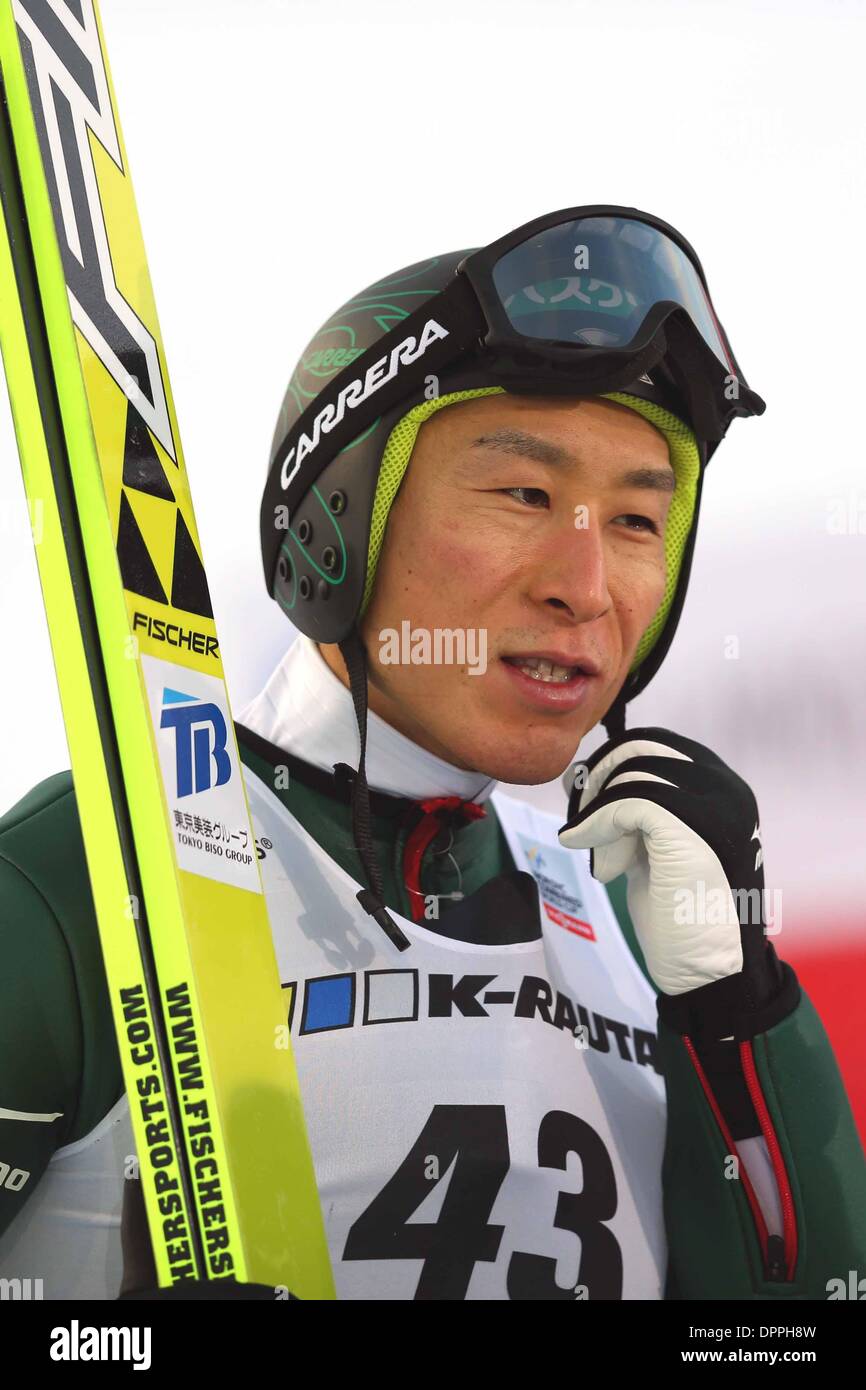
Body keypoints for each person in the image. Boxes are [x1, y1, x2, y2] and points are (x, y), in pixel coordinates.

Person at [0, 207, 863, 1300]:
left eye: (639, 523)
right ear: (335, 522)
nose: (584, 587)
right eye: (524, 496)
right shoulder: (86, 880)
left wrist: (737, 1009)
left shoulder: (635, 921)